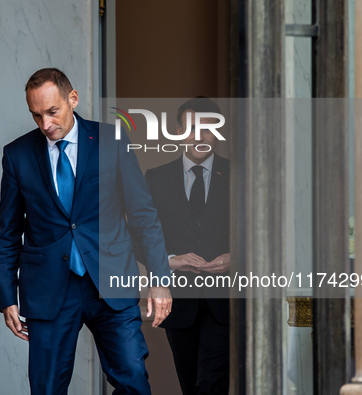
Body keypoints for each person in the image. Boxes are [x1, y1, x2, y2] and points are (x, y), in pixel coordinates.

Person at [0, 68, 172, 394]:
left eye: (52, 112)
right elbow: (7, 233)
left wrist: (160, 278)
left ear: (72, 99)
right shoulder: (17, 155)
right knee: (47, 389)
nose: (46, 124)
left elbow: (142, 214)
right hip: (49, 290)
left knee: (133, 380)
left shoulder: (112, 141)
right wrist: (7, 297)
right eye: (36, 116)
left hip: (111, 284)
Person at [145, 97, 230, 395]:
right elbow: (142, 234)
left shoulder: (239, 175)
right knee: (190, 383)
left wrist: (236, 257)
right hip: (177, 300)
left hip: (225, 300)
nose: (199, 136)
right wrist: (170, 261)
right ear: (179, 130)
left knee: (211, 382)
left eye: (208, 128)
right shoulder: (156, 178)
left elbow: (260, 231)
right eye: (192, 127)